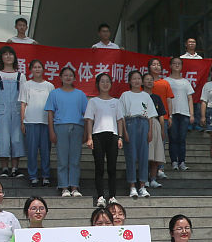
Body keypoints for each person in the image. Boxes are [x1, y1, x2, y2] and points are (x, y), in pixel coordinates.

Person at [45, 66, 88, 197]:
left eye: (70, 75)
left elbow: (86, 115)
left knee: (75, 159)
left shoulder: (81, 94)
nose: (68, 77)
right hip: (60, 127)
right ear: (61, 77)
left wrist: (86, 132)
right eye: (65, 75)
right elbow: (50, 113)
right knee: (62, 159)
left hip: (77, 128)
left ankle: (74, 187)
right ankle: (64, 187)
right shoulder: (54, 94)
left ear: (74, 78)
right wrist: (51, 131)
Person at [83, 73, 123, 204]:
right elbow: (89, 120)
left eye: (107, 81)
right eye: (102, 81)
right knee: (99, 167)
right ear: (97, 84)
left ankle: (112, 196)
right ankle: (100, 196)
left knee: (112, 167)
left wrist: (120, 137)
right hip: (97, 135)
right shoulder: (93, 101)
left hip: (113, 135)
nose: (105, 84)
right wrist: (89, 138)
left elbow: (119, 120)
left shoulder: (116, 102)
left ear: (111, 84)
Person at [120, 70, 158, 201]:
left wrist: (150, 131)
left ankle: (142, 185)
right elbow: (121, 116)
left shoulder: (146, 96)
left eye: (138, 78)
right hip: (130, 123)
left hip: (144, 123)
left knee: (143, 156)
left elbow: (151, 116)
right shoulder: (125, 95)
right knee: (131, 156)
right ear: (129, 81)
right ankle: (132, 186)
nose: (136, 81)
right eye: (134, 78)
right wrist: (124, 132)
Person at [0, 46, 25, 178]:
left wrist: (24, 115)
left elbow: (24, 96)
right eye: (5, 54)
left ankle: (15, 168)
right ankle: (5, 168)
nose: (8, 56)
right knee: (3, 138)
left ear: (15, 57)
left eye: (11, 54)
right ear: (1, 58)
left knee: (17, 139)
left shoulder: (20, 76)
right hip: (2, 109)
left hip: (17, 110)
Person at [19, 59, 54, 187]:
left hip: (46, 122)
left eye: (39, 67)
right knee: (32, 151)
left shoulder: (49, 86)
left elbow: (53, 106)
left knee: (45, 151)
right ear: (31, 70)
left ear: (43, 69)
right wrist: (22, 122)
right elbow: (23, 104)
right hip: (30, 122)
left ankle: (45, 176)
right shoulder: (26, 85)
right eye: (35, 67)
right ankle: (33, 176)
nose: (37, 69)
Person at [164, 56, 194, 172]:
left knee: (182, 138)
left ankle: (182, 161)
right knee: (173, 138)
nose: (177, 65)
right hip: (172, 113)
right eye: (174, 63)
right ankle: (174, 161)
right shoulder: (166, 81)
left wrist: (192, 114)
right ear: (170, 66)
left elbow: (190, 98)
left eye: (179, 64)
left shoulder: (185, 82)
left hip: (184, 113)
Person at [142, 72, 167, 186]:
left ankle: (153, 179)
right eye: (147, 79)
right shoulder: (139, 96)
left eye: (151, 79)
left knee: (155, 154)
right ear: (142, 82)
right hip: (143, 124)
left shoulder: (157, 98)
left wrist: (162, 129)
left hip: (155, 125)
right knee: (145, 154)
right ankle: (144, 179)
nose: (149, 81)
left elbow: (161, 115)